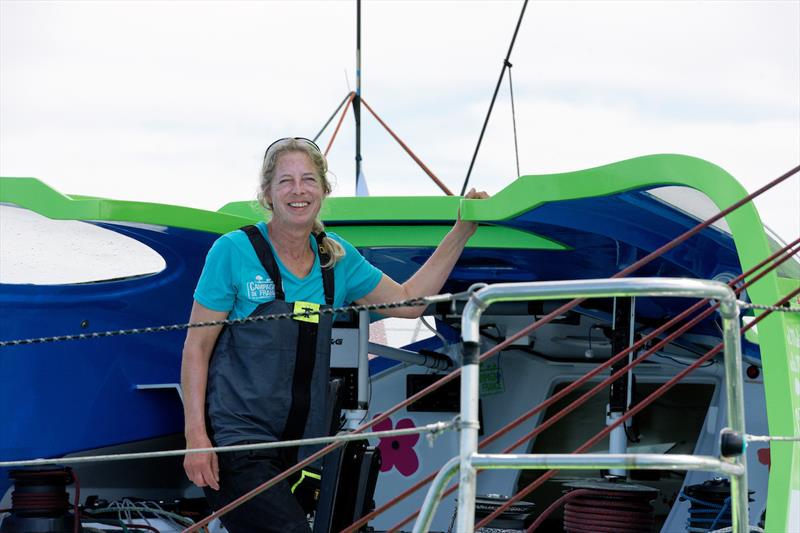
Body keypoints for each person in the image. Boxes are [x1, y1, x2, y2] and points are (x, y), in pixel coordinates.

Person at [181, 137, 487, 532]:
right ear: (267, 194)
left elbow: (409, 303)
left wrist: (462, 230)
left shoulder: (337, 258)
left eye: (308, 179)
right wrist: (196, 439)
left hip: (305, 449)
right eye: (285, 181)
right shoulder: (233, 252)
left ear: (324, 190)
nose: (298, 190)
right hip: (240, 443)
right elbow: (196, 347)